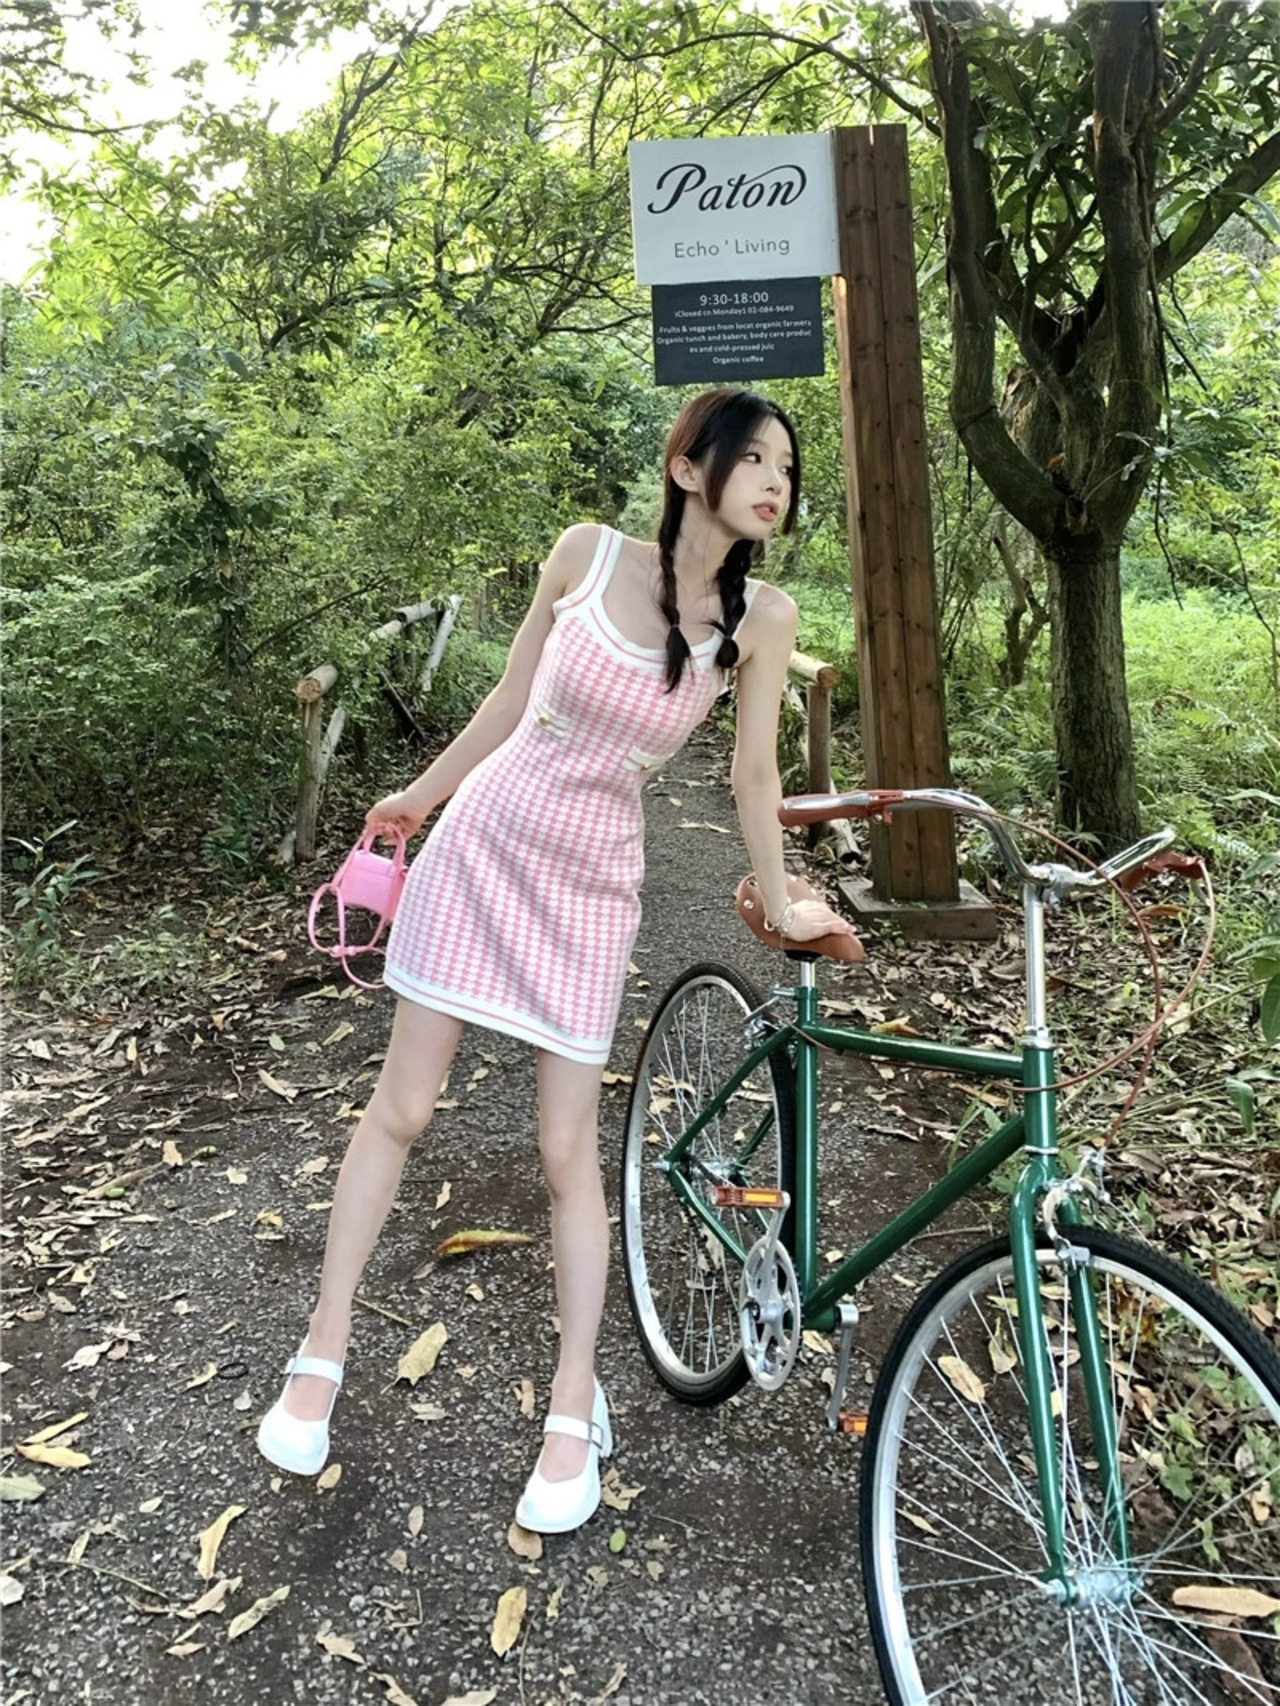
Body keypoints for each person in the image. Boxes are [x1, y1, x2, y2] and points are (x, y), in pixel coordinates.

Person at [257, 387, 853, 1532]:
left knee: (565, 1148)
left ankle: (574, 1399)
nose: (776, 481)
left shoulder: (762, 617)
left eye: (787, 466)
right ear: (687, 466)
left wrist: (779, 901)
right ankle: (320, 1347)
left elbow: (752, 775)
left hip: (590, 890)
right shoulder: (583, 556)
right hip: (481, 847)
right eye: (754, 459)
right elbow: (508, 699)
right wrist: (419, 796)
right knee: (402, 1107)